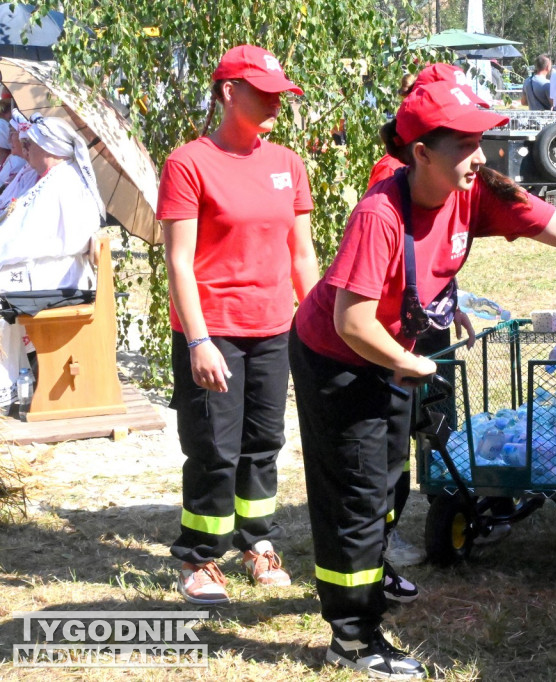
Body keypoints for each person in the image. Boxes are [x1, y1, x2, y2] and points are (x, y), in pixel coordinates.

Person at [289, 80, 556, 678]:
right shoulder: (380, 214)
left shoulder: (473, 190)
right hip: (340, 358)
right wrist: (409, 364)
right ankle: (353, 637)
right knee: (354, 494)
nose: (480, 155)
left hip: (390, 353)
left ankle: (372, 575)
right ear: (420, 155)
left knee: (386, 480)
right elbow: (350, 320)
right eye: (464, 144)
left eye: (480, 141)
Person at [157, 44, 319, 605]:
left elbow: (302, 255)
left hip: (274, 328)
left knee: (263, 442)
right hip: (214, 329)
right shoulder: (188, 162)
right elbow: (178, 259)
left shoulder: (288, 164)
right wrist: (198, 339)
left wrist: (319, 321)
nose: (277, 101)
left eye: (280, 92)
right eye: (264, 91)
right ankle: (200, 558)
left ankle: (258, 543)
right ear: (228, 92)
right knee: (213, 446)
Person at [367, 63, 480, 568]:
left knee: (438, 421)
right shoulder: (392, 175)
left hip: (434, 326)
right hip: (397, 337)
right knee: (396, 435)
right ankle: (384, 537)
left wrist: (454, 302)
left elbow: (440, 251)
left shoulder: (455, 171)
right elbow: (402, 256)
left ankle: (447, 511)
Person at [0, 116, 105, 413]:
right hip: (42, 267)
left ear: (49, 148)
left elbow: (31, 238)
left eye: (29, 143)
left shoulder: (63, 182)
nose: (24, 148)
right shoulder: (46, 177)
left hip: (60, 276)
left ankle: (8, 386)